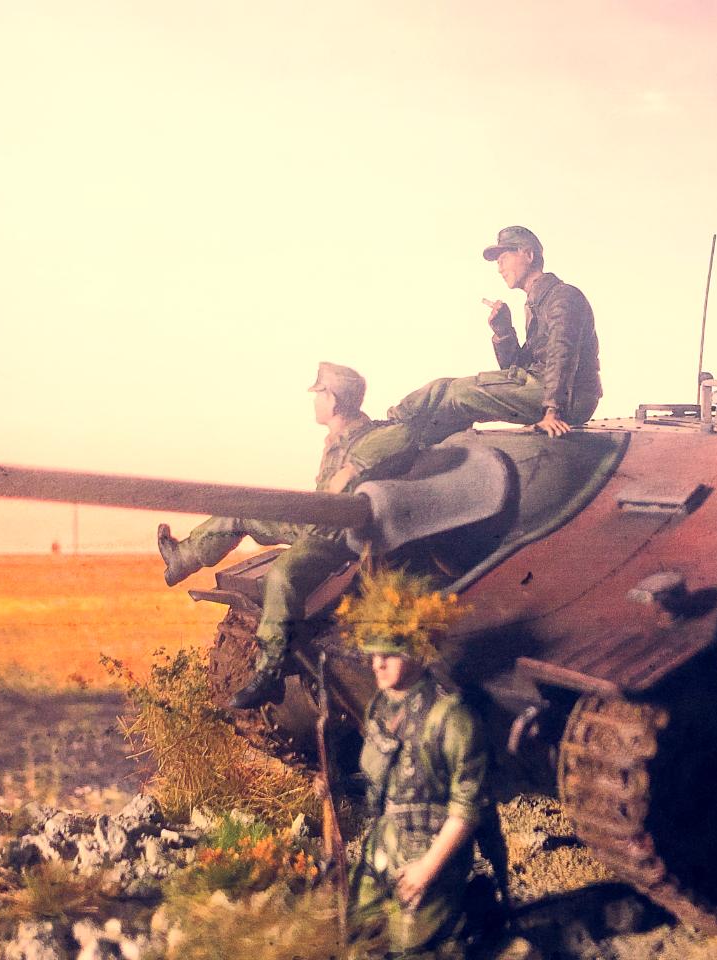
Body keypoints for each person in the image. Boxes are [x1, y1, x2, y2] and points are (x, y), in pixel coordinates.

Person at [156, 362, 412, 708]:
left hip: (337, 537)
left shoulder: (369, 435)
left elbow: (406, 435)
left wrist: (354, 467)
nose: (315, 401)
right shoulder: (337, 437)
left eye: (319, 394)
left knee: (282, 576)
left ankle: (271, 671)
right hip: (314, 521)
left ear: (333, 399)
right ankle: (182, 559)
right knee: (244, 508)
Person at [343, 574, 494, 958]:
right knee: (359, 936)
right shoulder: (380, 705)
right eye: (373, 654)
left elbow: (467, 808)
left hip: (431, 855)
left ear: (417, 652)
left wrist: (427, 869)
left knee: (415, 950)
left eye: (390, 654)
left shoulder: (451, 718)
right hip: (383, 847)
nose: (377, 664)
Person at [389, 225, 602, 442]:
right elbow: (519, 368)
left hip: (572, 397)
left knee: (459, 392)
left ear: (528, 255)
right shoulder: (538, 302)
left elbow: (562, 354)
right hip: (547, 388)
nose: (499, 269)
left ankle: (392, 430)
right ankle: (401, 430)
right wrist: (504, 332)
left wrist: (553, 411)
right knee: (443, 387)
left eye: (503, 259)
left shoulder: (563, 297)